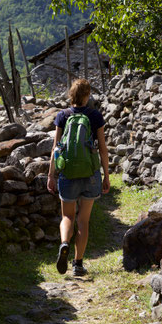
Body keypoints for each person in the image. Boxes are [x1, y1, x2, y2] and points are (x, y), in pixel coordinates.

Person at [47, 79, 110, 276]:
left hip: (67, 173)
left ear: (71, 95)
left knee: (67, 216)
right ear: (87, 95)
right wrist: (106, 175)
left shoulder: (62, 116)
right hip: (90, 173)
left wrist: (51, 175)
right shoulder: (95, 116)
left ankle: (64, 243)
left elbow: (56, 149)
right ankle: (78, 264)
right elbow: (102, 148)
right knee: (83, 220)